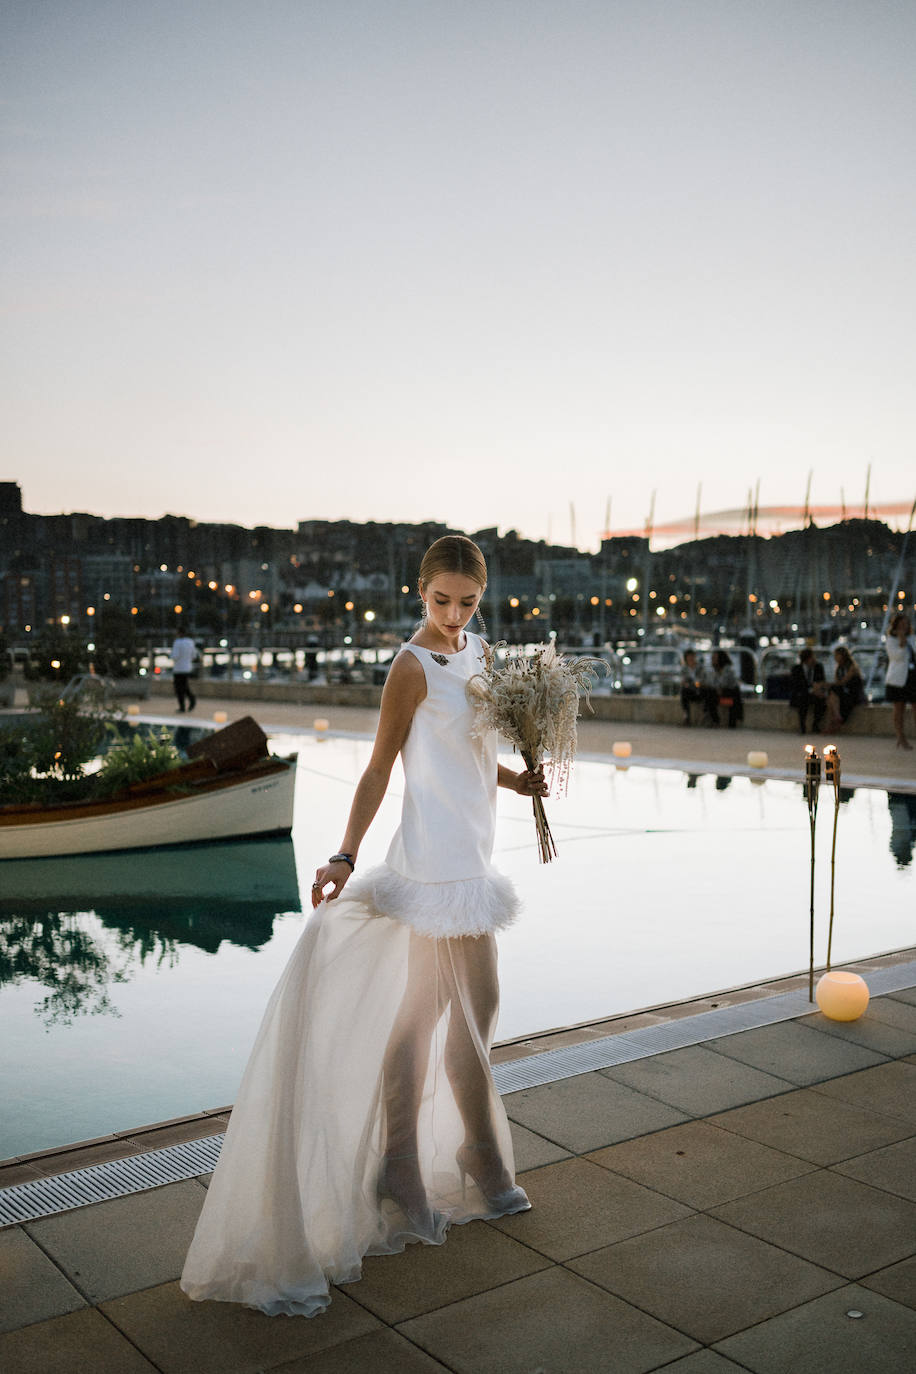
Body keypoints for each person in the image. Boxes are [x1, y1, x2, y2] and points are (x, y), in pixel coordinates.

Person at [181, 536, 546, 1318]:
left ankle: (440, 1163)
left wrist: (522, 778)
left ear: (482, 600)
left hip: (473, 864)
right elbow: (383, 765)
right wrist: (346, 853)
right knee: (429, 1023)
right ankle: (417, 1168)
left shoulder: (479, 652)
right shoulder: (409, 667)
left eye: (467, 603)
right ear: (421, 592)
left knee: (471, 1017)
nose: (454, 616)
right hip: (428, 869)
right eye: (442, 601)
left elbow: (474, 755)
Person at [884, 612, 916, 750]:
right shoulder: (891, 640)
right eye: (901, 624)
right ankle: (900, 737)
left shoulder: (913, 638)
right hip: (898, 679)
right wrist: (902, 641)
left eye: (906, 624)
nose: (904, 626)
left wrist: (907, 639)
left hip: (913, 676)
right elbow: (896, 657)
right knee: (899, 709)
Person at [788, 647, 827, 735]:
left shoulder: (818, 667)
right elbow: (796, 685)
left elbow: (822, 681)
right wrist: (811, 690)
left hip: (815, 693)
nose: (814, 660)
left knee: (821, 702)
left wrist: (818, 689)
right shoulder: (796, 669)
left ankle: (815, 725)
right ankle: (802, 726)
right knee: (802, 699)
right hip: (801, 694)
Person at [824, 645, 865, 731]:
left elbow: (843, 681)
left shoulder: (852, 667)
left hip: (853, 693)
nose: (835, 658)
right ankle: (835, 719)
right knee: (831, 698)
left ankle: (834, 721)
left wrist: (828, 684)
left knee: (832, 693)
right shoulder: (839, 668)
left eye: (837, 655)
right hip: (844, 692)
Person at [709, 649, 743, 728]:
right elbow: (712, 683)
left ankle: (719, 721)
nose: (712, 660)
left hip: (731, 692)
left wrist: (718, 688)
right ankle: (715, 720)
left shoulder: (727, 670)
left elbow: (724, 684)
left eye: (714, 658)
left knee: (711, 694)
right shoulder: (715, 671)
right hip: (721, 691)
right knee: (709, 694)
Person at [679, 649, 713, 726]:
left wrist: (697, 684)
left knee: (708, 691)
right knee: (683, 691)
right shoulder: (684, 669)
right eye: (689, 657)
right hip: (690, 690)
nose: (691, 658)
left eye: (692, 656)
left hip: (700, 689)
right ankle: (686, 716)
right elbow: (683, 681)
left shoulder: (700, 667)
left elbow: (703, 680)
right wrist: (688, 684)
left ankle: (706, 715)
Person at [171, 626, 197, 713]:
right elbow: (194, 655)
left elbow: (175, 656)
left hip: (178, 669)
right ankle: (191, 699)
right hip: (187, 668)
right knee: (185, 686)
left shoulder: (177, 643)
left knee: (179, 688)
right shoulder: (190, 642)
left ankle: (182, 706)